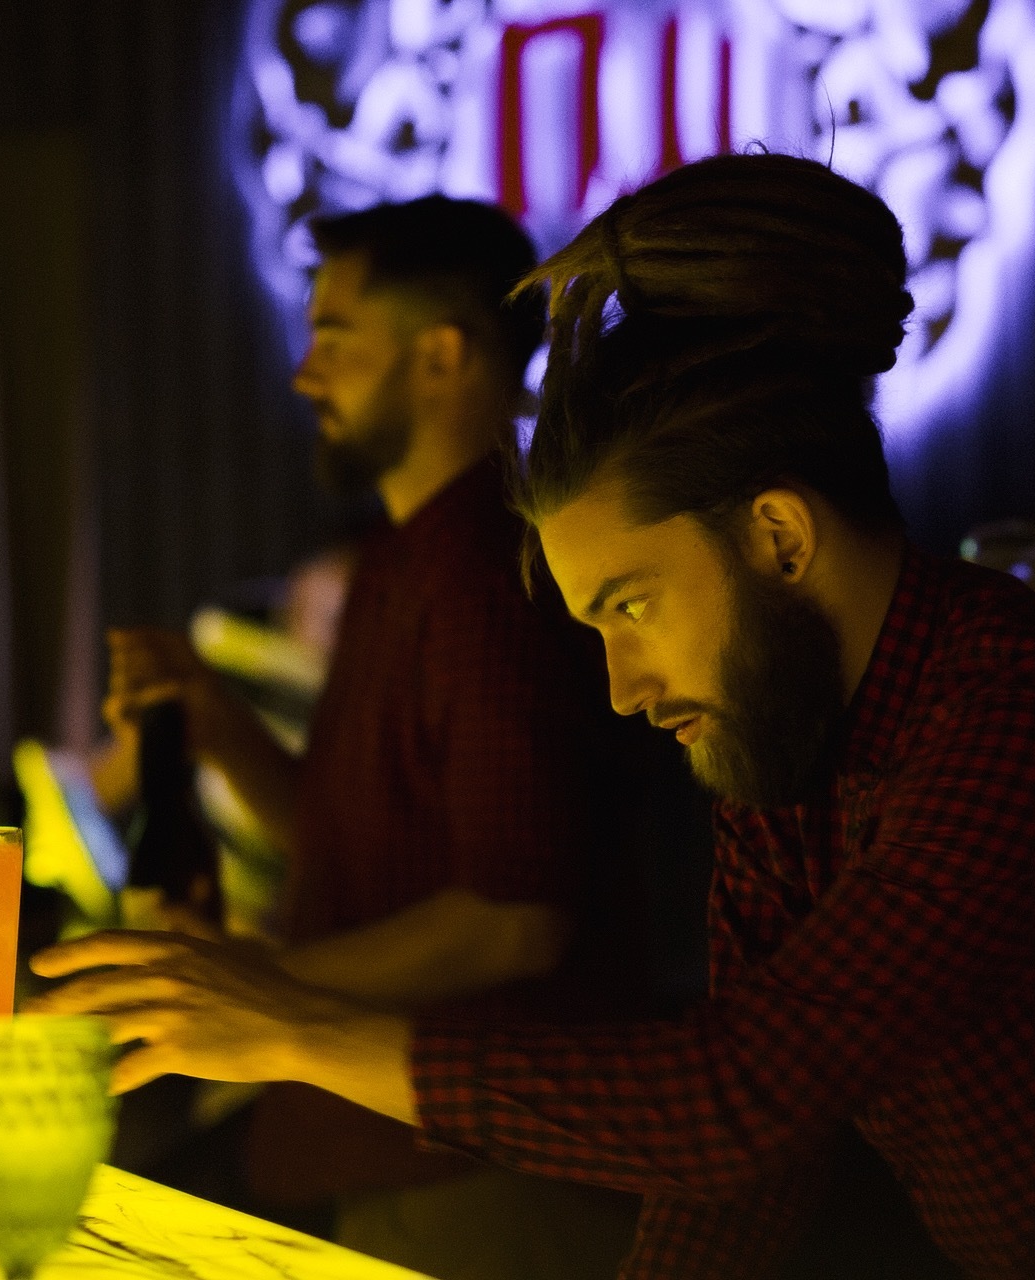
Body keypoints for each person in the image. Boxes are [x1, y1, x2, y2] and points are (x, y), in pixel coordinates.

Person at [29, 154, 1035, 1278]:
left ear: (777, 535)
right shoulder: (792, 764)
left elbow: (730, 1097)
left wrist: (292, 1024)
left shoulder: (1016, 712)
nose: (620, 684)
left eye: (632, 604)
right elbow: (739, 1174)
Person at [91, 196, 698, 1280]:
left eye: (334, 338)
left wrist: (259, 986)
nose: (304, 375)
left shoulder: (490, 573)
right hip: (374, 1141)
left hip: (476, 1171)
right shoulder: (400, 554)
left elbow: (514, 920)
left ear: (442, 356)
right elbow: (366, 851)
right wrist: (216, 724)